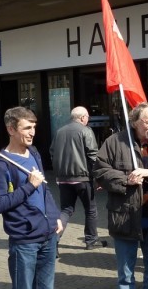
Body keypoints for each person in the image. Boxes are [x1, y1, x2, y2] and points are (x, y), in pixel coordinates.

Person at [93, 103, 148, 289]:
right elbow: (100, 171)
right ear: (135, 122)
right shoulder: (114, 142)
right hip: (125, 217)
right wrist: (127, 179)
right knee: (126, 275)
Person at [0, 107, 62, 289]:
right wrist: (29, 186)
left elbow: (44, 188)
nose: (32, 133)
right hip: (25, 242)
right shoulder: (1, 165)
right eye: (27, 128)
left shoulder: (34, 152)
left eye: (34, 127)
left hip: (48, 236)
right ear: (11, 130)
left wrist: (54, 216)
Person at [50, 106, 102, 250]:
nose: (88, 119)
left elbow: (52, 153)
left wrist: (58, 172)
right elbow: (93, 155)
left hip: (63, 178)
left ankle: (54, 239)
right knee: (90, 210)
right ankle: (91, 241)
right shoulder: (86, 131)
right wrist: (98, 177)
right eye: (87, 117)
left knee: (66, 210)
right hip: (83, 178)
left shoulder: (59, 132)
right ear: (82, 118)